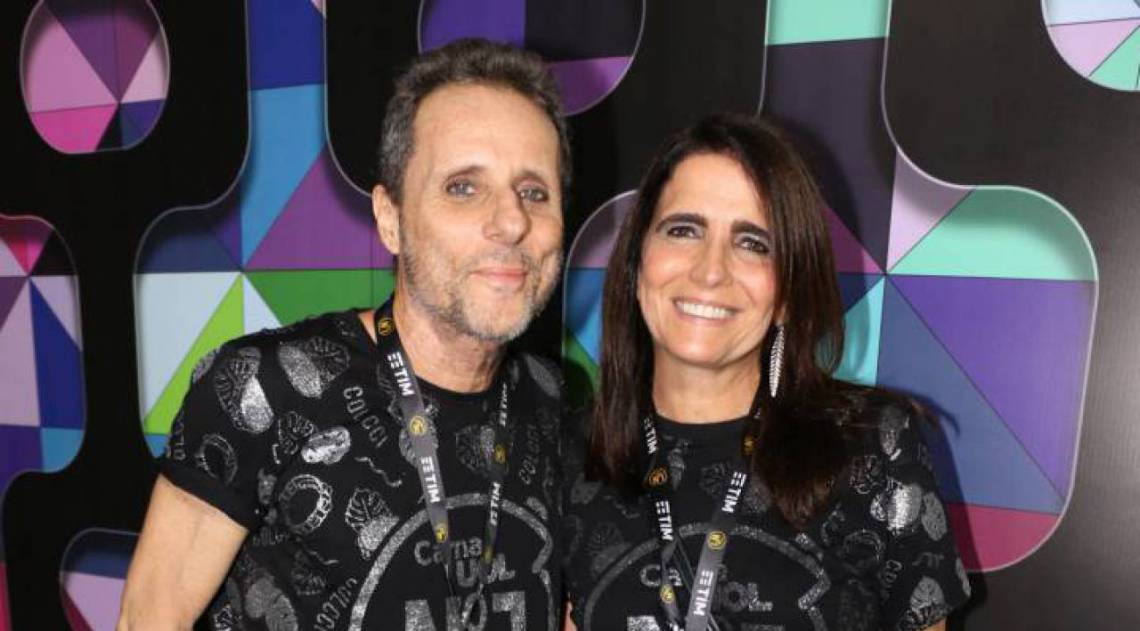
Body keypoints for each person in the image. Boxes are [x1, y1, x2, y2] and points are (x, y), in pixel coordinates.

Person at [119, 38, 570, 631]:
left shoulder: (559, 402)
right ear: (391, 218)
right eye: (463, 186)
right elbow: (150, 619)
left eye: (534, 192)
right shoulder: (266, 389)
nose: (512, 221)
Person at [562, 114, 971, 631]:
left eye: (753, 243)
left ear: (787, 294)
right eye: (684, 230)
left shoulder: (873, 447)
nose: (711, 270)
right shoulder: (572, 453)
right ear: (638, 261)